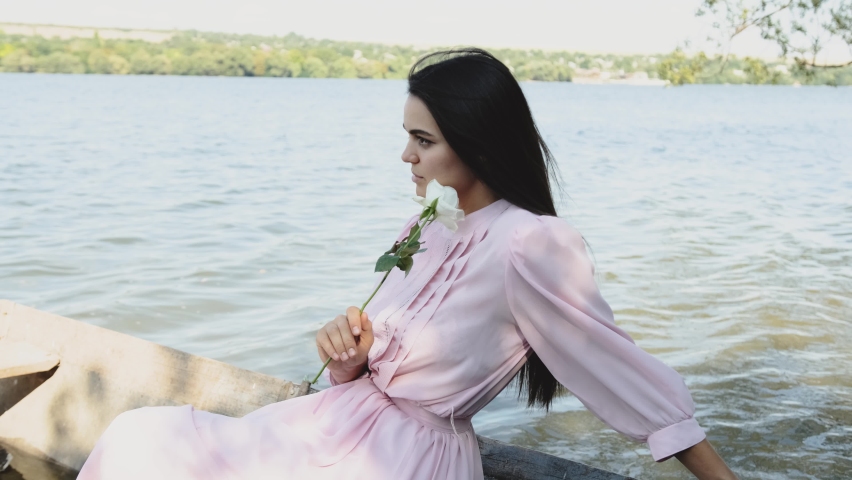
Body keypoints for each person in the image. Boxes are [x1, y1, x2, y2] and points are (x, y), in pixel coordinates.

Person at [77, 48, 737, 480]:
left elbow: (620, 370)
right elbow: (375, 363)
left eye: (422, 140)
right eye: (407, 137)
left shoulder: (531, 242)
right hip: (336, 425)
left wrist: (716, 473)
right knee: (141, 437)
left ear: (474, 142)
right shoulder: (429, 223)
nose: (406, 156)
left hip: (405, 457)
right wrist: (349, 355)